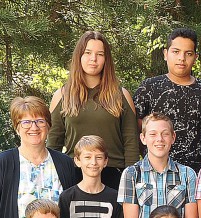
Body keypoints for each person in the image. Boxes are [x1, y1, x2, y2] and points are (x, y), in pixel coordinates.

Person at [48, 31, 140, 191]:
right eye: (88, 53)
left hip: (114, 174)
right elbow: (53, 145)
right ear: (79, 56)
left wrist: (131, 183)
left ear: (106, 59)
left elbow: (131, 143)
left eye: (100, 54)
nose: (93, 59)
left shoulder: (121, 95)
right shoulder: (63, 95)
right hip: (74, 174)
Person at [133, 27, 201, 172]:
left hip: (196, 173)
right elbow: (136, 131)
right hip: (154, 172)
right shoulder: (148, 88)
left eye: (188, 53)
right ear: (165, 54)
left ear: (196, 57)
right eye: (176, 52)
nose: (182, 58)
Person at [118, 113, 198, 218]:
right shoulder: (132, 174)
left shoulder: (187, 174)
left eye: (165, 134)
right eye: (153, 134)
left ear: (173, 137)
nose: (159, 139)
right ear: (143, 138)